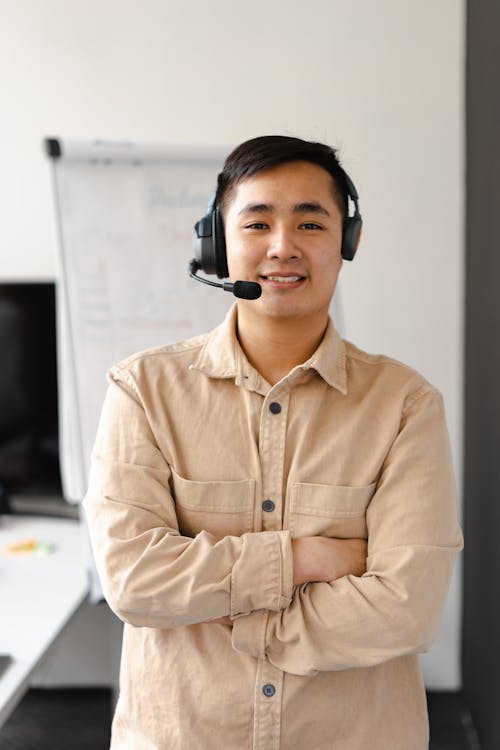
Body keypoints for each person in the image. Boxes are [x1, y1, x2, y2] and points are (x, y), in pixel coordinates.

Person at [83, 135, 463, 750]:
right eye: (257, 222)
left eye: (311, 222)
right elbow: (133, 582)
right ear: (217, 244)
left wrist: (232, 614)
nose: (283, 247)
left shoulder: (406, 405)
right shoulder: (142, 391)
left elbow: (406, 609)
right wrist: (305, 559)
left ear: (348, 242)